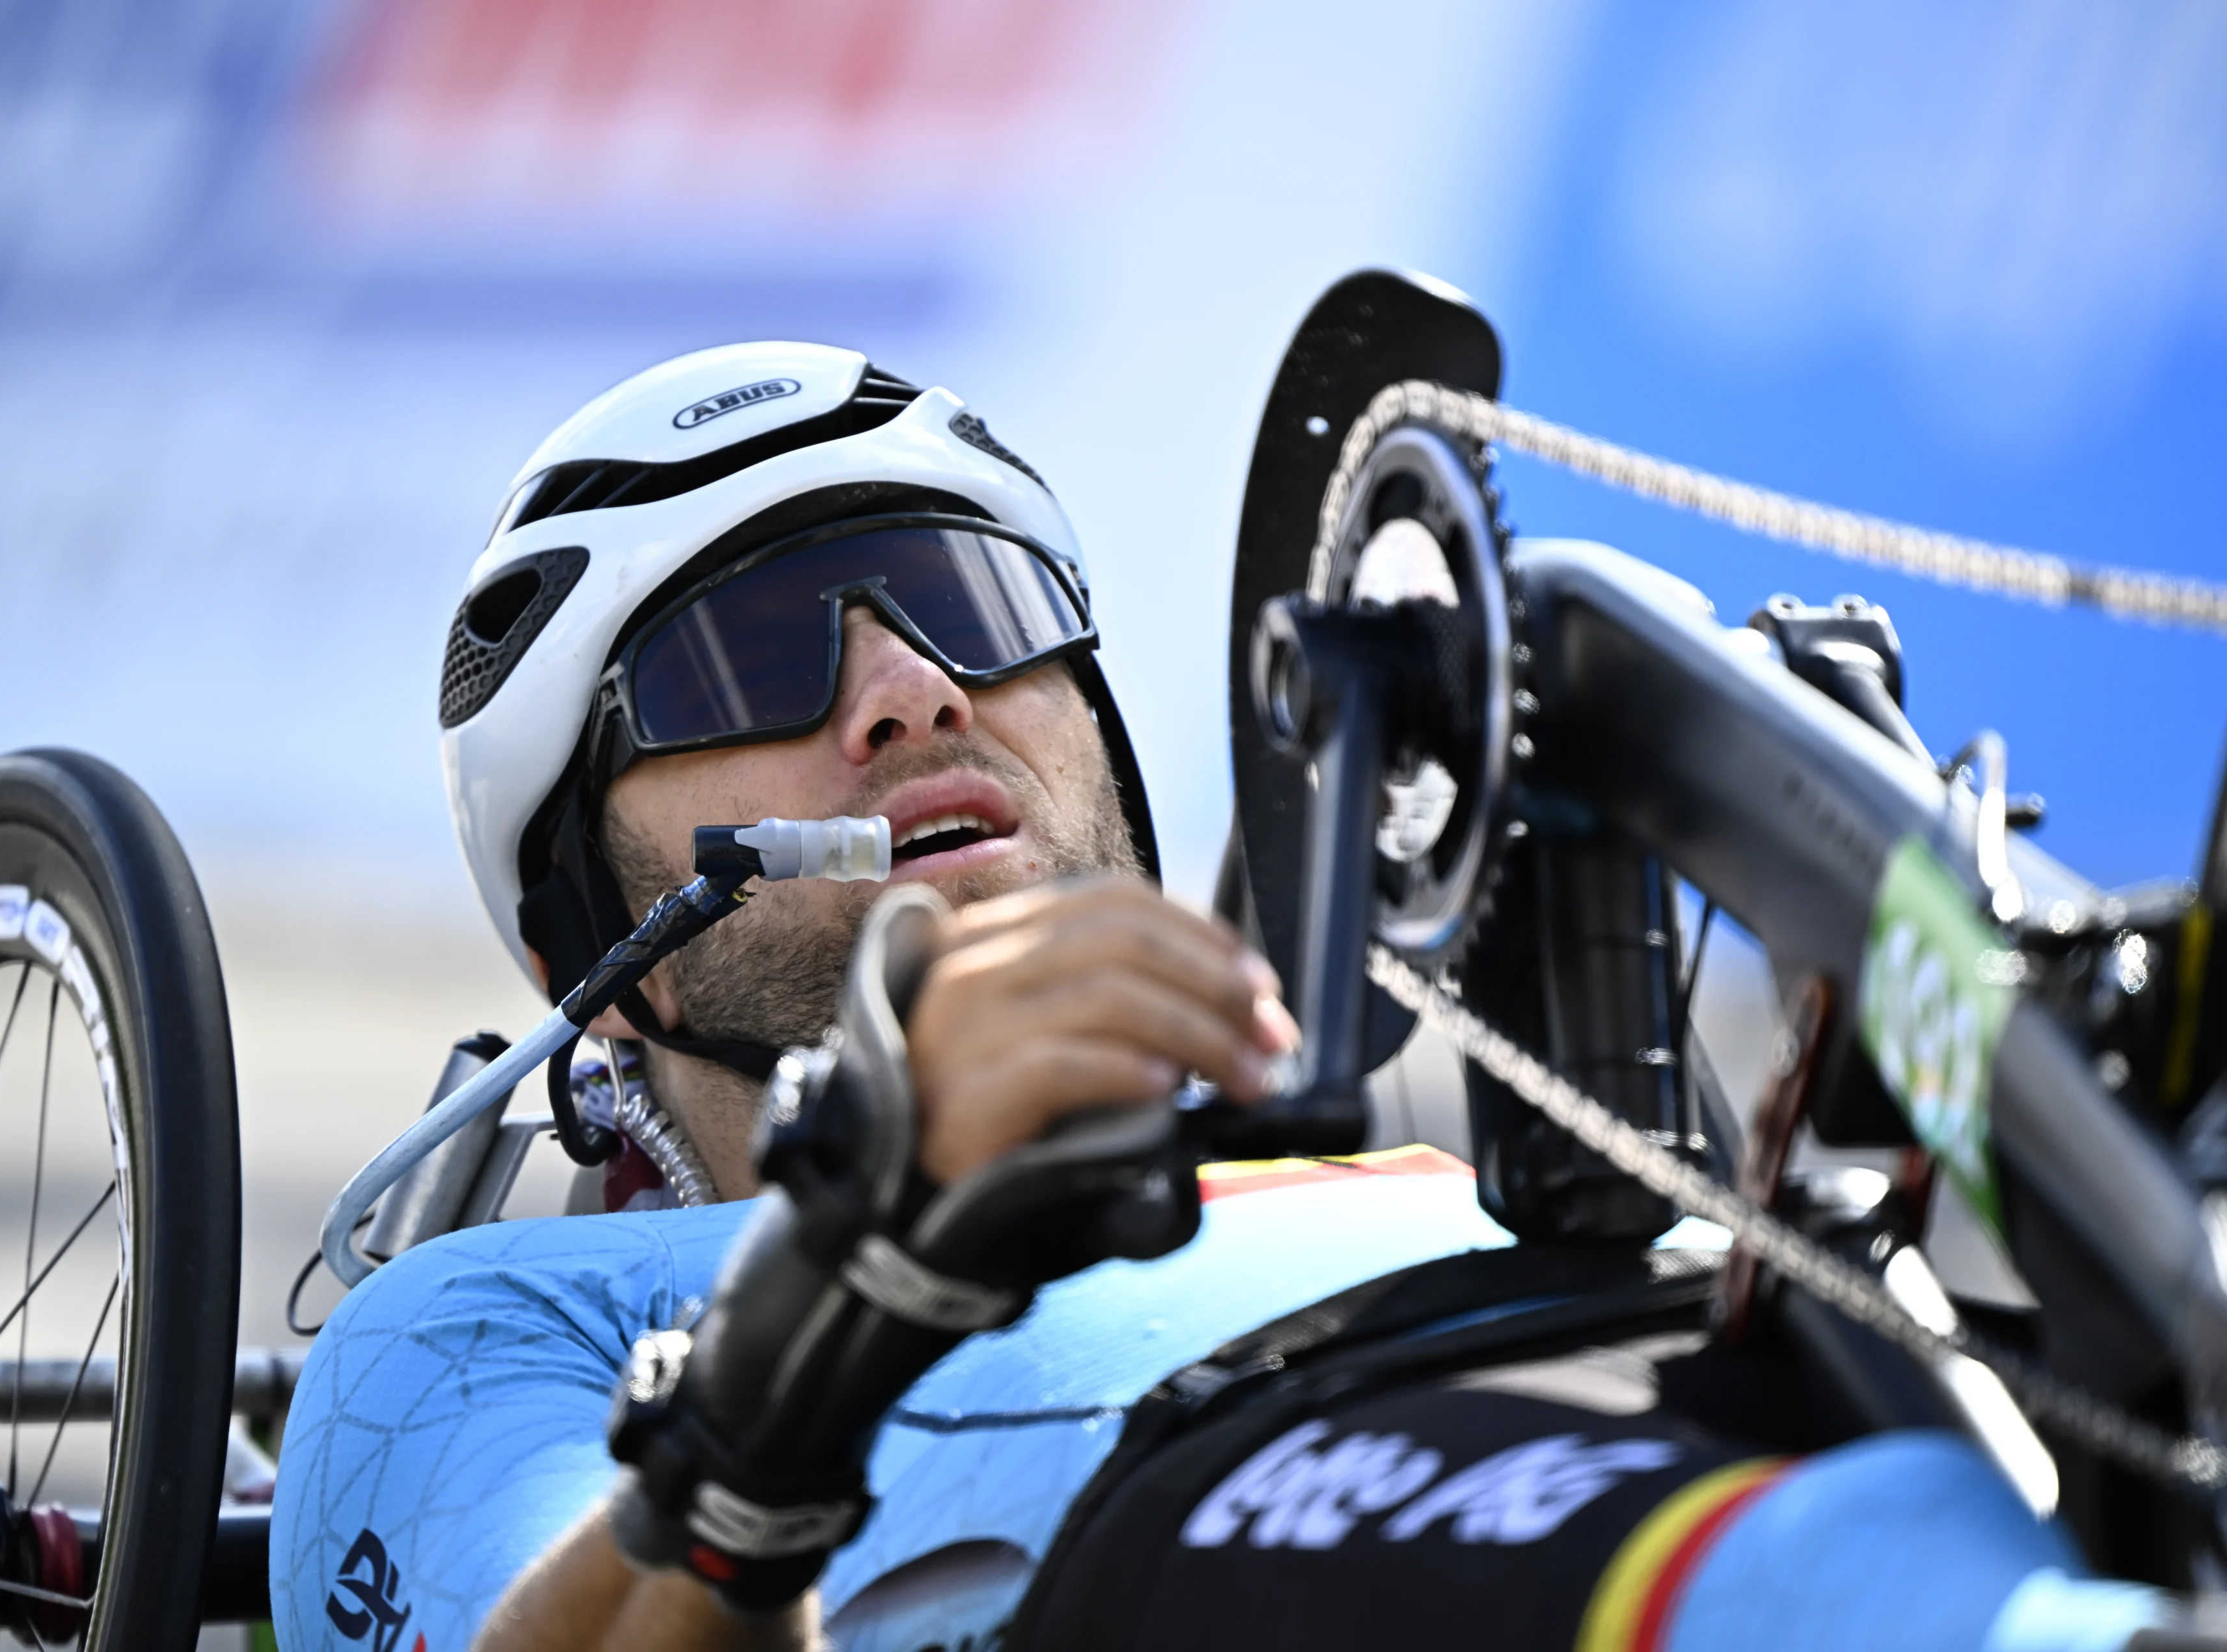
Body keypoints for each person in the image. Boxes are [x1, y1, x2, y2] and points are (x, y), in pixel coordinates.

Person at [268, 345, 2202, 1652]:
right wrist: (842, 1300)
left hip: (1687, 1355)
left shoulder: (1412, 1165)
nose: (911, 693)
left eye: (973, 606)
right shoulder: (484, 1330)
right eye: (743, 662)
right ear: (585, 957)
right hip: (1280, 1486)